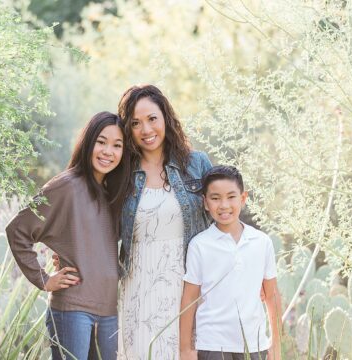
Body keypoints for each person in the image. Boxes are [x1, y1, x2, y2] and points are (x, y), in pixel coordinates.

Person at [5, 112, 129, 360]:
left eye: (117, 145)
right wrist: (44, 279)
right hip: (72, 310)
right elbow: (18, 229)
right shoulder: (66, 185)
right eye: (101, 142)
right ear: (88, 142)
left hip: (108, 311)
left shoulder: (111, 194)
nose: (108, 151)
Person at [116, 84, 213, 359]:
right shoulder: (121, 172)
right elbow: (97, 220)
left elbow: (223, 217)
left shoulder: (196, 163)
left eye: (152, 119)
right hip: (139, 284)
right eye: (136, 123)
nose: (146, 130)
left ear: (166, 118)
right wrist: (67, 251)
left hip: (188, 282)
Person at [179, 165, 282, 360]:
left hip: (254, 344)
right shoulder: (199, 245)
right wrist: (185, 349)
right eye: (215, 198)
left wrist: (276, 344)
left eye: (231, 197)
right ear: (205, 203)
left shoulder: (261, 242)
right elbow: (189, 299)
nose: (224, 205)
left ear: (243, 198)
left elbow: (272, 295)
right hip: (212, 345)